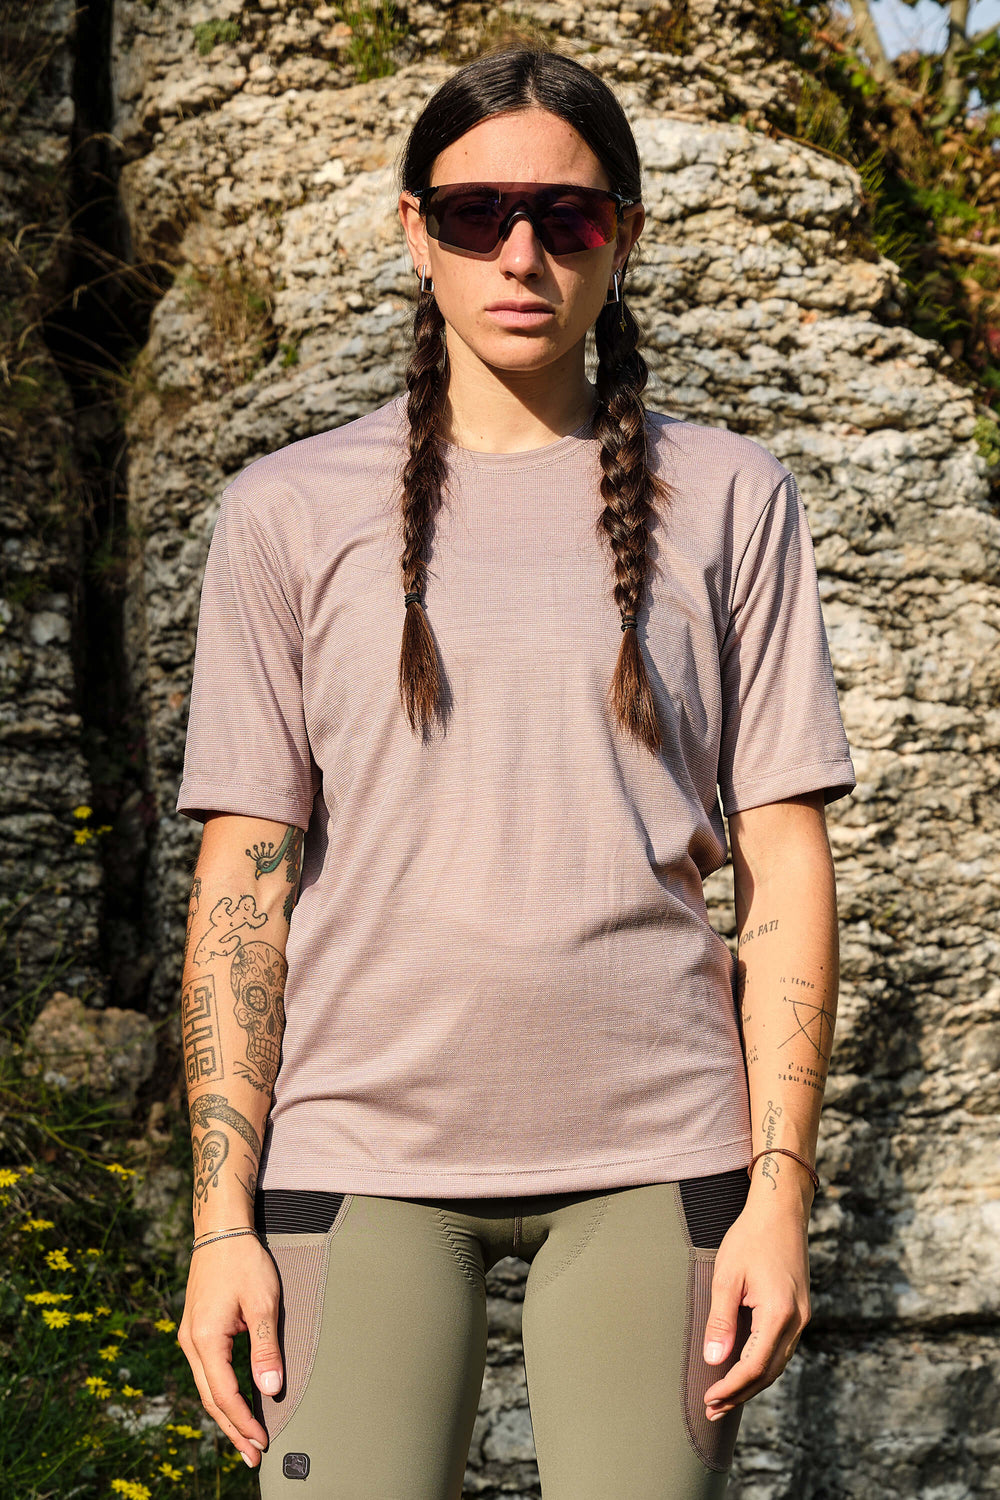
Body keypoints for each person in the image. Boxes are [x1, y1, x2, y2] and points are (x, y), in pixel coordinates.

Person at [174, 44, 856, 1500]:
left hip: (659, 1153)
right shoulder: (285, 513)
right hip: (356, 1153)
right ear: (416, 233)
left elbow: (785, 859)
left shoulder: (733, 498)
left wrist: (779, 1193)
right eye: (477, 214)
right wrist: (220, 1218)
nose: (523, 254)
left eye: (570, 214)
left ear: (625, 235)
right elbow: (244, 876)